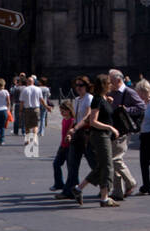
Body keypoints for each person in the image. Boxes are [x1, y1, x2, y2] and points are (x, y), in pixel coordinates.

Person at [75, 75, 123, 207]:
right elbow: (93, 121)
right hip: (100, 136)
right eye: (109, 83)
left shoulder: (102, 99)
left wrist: (108, 102)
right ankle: (104, 198)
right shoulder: (96, 99)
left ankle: (79, 189)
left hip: (104, 135)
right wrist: (110, 127)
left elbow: (104, 114)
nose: (111, 86)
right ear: (104, 85)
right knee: (107, 166)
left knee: (102, 166)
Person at [59, 76, 95, 200]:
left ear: (87, 86)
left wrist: (75, 128)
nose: (78, 88)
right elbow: (76, 118)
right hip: (77, 134)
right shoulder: (77, 100)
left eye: (81, 85)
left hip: (86, 135)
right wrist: (71, 131)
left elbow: (87, 118)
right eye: (77, 85)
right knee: (72, 164)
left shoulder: (90, 98)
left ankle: (105, 186)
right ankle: (70, 191)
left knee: (94, 164)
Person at [109, 69, 142, 197]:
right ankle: (118, 190)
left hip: (123, 129)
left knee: (115, 159)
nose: (109, 83)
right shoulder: (111, 92)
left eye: (110, 81)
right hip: (112, 128)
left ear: (118, 80)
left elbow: (141, 107)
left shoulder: (128, 92)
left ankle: (130, 181)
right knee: (114, 159)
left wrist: (126, 109)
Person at [51, 101, 75, 191]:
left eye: (63, 111)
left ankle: (72, 186)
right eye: (60, 111)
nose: (61, 113)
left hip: (69, 146)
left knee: (71, 167)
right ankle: (59, 183)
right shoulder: (64, 120)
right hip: (63, 146)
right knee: (56, 164)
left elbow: (70, 132)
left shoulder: (72, 120)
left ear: (69, 110)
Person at [20, 75, 43, 139]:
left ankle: (27, 139)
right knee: (35, 125)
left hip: (27, 109)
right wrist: (46, 106)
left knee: (27, 125)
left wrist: (20, 110)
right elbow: (41, 99)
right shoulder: (38, 89)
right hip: (36, 108)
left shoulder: (24, 90)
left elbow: (22, 101)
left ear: (27, 82)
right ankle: (35, 137)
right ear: (33, 82)